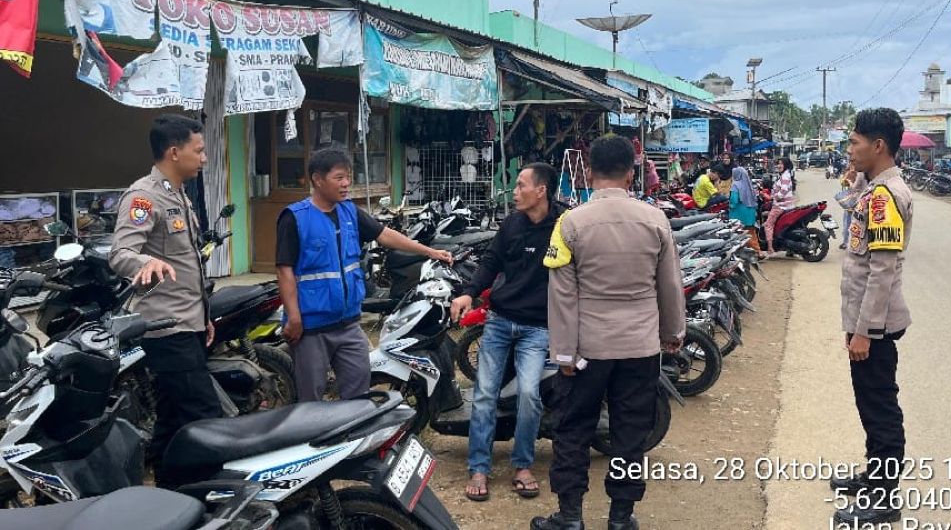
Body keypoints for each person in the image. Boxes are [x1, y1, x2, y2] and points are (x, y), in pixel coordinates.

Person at [533, 135, 687, 530]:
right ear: (632, 173)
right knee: (629, 433)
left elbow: (562, 297)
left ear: (588, 171)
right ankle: (621, 517)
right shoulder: (655, 220)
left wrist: (564, 354)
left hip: (587, 350)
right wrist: (673, 332)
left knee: (573, 430)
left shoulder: (570, 223)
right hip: (640, 347)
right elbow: (669, 286)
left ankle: (570, 517)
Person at [276, 149, 452, 402]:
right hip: (311, 328)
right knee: (311, 401)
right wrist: (293, 316)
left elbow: (385, 235)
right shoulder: (295, 218)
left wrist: (430, 251)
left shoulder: (349, 212)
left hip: (348, 324)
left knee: (359, 395)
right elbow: (284, 269)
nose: (346, 183)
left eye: (348, 177)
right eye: (339, 178)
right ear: (317, 179)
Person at [110, 114, 221, 486]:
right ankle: (205, 493)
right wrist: (146, 260)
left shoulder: (179, 195)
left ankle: (167, 489)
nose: (204, 158)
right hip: (165, 329)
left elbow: (187, 266)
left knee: (174, 415)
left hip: (186, 322)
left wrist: (203, 315)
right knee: (204, 413)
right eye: (199, 150)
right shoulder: (143, 196)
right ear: (175, 152)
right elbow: (122, 253)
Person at [451, 163, 564, 503]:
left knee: (530, 394)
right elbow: (490, 262)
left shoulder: (565, 225)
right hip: (500, 321)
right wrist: (469, 292)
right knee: (484, 394)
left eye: (520, 185)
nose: (514, 192)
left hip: (538, 327)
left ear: (540, 190)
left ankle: (522, 465)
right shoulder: (511, 224)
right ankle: (479, 467)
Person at [828, 109, 913, 526]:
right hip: (866, 321)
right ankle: (873, 474)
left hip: (873, 325)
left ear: (878, 145)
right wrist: (855, 176)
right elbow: (849, 206)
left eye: (855, 143)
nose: (850, 149)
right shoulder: (875, 189)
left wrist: (863, 332)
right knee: (869, 401)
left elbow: (882, 271)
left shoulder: (885, 197)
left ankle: (884, 498)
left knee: (880, 407)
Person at [763, 157, 796, 255]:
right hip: (787, 205)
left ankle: (770, 248)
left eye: (781, 163)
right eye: (778, 164)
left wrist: (772, 198)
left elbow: (783, 190)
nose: (779, 165)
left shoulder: (785, 176)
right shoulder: (786, 175)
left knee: (768, 225)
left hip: (780, 206)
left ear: (786, 165)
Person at [728, 166, 762, 254]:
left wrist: (730, 205)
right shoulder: (748, 184)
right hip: (750, 213)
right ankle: (757, 251)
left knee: (742, 233)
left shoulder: (735, 184)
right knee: (751, 232)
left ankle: (757, 253)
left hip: (739, 214)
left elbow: (734, 200)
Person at [836, 167, 864, 250]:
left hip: (853, 203)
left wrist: (849, 180)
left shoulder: (858, 174)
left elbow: (845, 184)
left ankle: (847, 243)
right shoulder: (863, 173)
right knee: (855, 224)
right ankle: (849, 242)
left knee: (848, 224)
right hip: (859, 203)